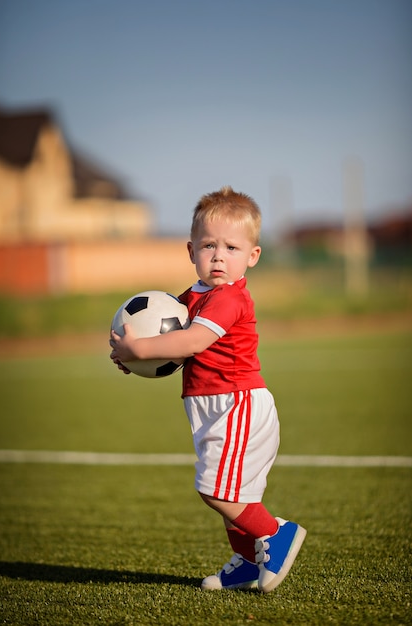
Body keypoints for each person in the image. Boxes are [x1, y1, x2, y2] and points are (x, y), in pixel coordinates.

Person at [109, 186, 306, 593]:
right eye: (209, 245)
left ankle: (275, 534)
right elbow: (162, 333)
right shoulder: (187, 298)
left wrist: (139, 347)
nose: (219, 256)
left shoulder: (229, 299)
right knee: (230, 496)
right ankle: (249, 564)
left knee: (216, 490)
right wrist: (132, 356)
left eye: (232, 247)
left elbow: (190, 342)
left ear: (252, 256)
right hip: (208, 406)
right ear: (191, 250)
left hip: (237, 403)